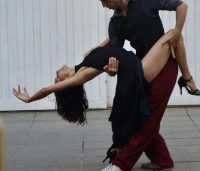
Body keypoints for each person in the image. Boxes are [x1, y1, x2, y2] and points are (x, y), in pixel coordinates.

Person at [89, 0, 200, 171]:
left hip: (166, 65)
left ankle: (120, 164)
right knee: (142, 115)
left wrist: (177, 32)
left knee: (148, 120)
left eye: (105, 1)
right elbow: (116, 54)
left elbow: (181, 5)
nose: (104, 6)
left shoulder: (146, 0)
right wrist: (112, 70)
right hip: (143, 69)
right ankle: (162, 160)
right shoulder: (115, 23)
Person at [12, 29, 175, 158]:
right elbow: (46, 90)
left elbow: (112, 39)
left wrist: (120, 25)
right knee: (172, 34)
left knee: (172, 35)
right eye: (57, 78)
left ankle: (159, 159)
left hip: (133, 67)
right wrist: (29, 100)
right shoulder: (81, 76)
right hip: (138, 71)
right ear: (64, 82)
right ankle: (188, 80)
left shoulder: (86, 57)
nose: (56, 71)